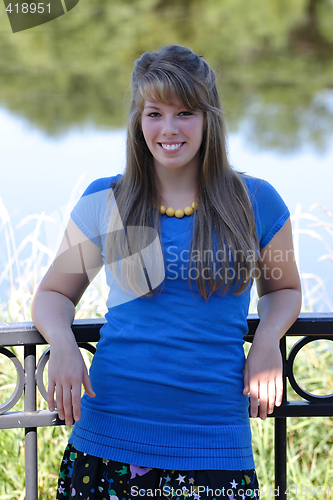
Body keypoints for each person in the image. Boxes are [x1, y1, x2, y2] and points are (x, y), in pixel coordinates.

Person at [32, 45, 302, 500]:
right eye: (155, 113)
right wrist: (62, 344)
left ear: (208, 119)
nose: (169, 129)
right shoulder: (107, 200)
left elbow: (285, 288)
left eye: (185, 112)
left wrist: (268, 339)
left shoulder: (256, 201)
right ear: (138, 121)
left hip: (215, 448)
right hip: (107, 440)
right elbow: (54, 294)